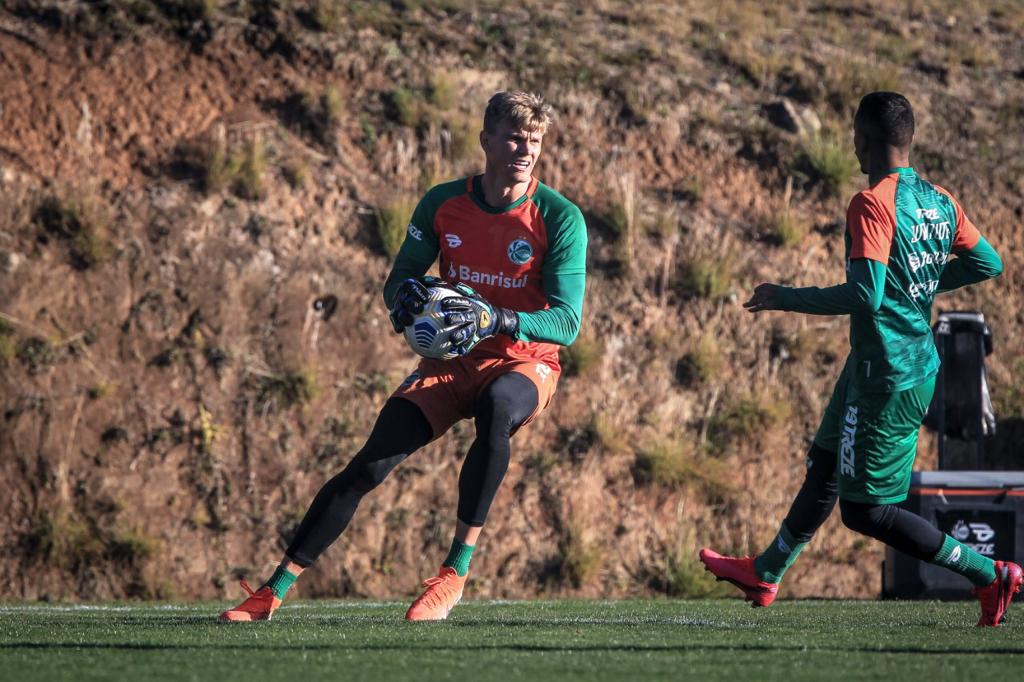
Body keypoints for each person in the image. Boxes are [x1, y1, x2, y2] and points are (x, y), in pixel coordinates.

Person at [219, 90, 587, 622]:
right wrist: (407, 310)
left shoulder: (559, 217)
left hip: (522, 360)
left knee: (497, 413)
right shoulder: (442, 203)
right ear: (486, 140)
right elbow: (400, 281)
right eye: (512, 136)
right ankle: (270, 591)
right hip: (449, 362)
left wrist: (500, 319)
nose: (524, 148)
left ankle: (454, 572)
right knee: (368, 466)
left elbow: (567, 323)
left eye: (533, 139)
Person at [699, 91, 1016, 626]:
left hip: (890, 372)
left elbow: (864, 296)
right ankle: (767, 571)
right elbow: (988, 261)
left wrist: (785, 296)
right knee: (824, 464)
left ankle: (989, 572)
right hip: (877, 362)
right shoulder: (940, 199)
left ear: (861, 139)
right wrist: (916, 287)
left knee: (867, 512)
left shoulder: (870, 203)